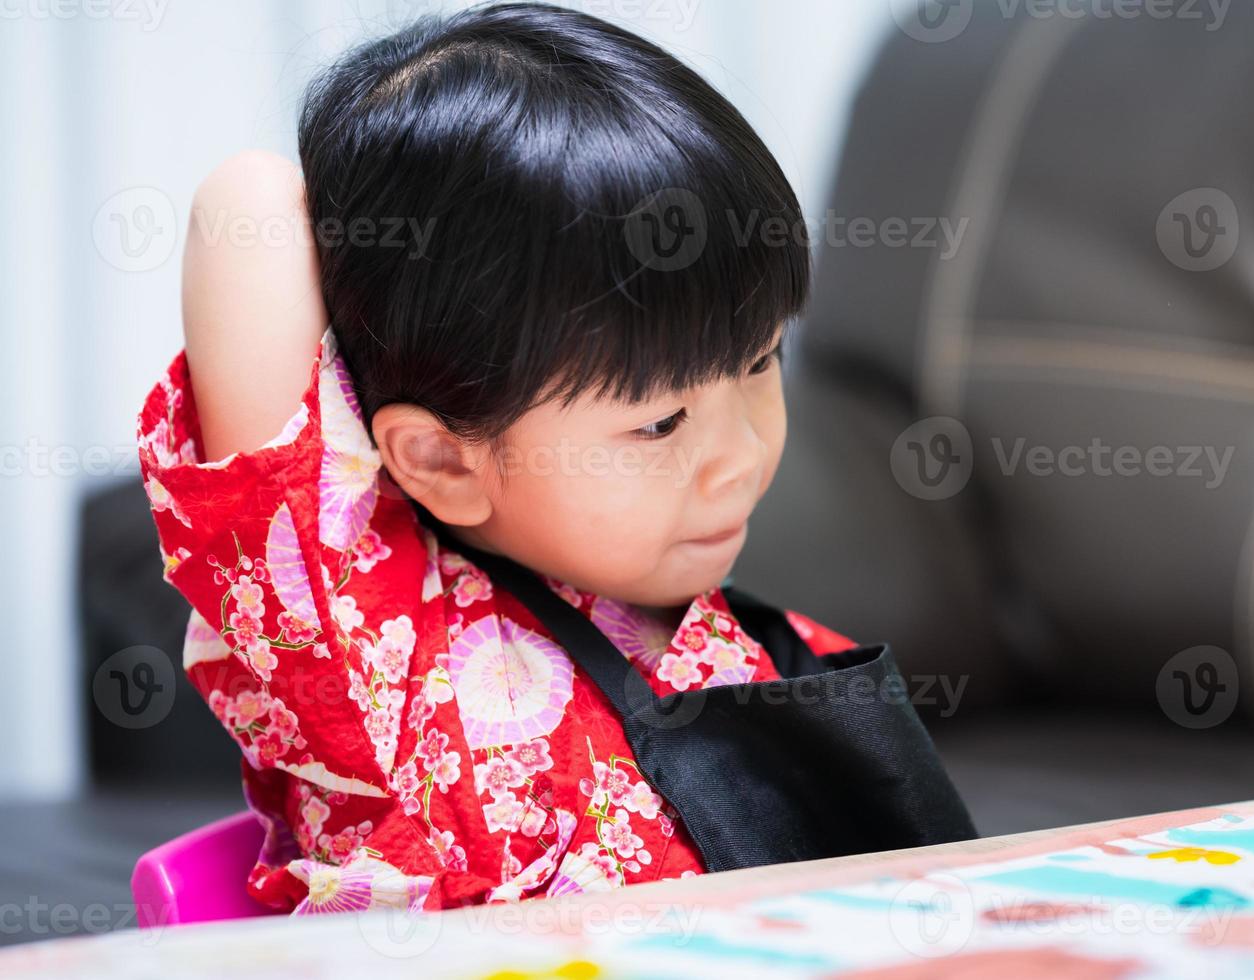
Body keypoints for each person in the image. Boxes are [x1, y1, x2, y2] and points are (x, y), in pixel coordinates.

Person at [137, 1, 976, 915]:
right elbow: (244, 208)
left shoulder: (751, 650)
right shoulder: (370, 648)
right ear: (444, 462)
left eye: (759, 360)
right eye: (659, 424)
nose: (739, 457)